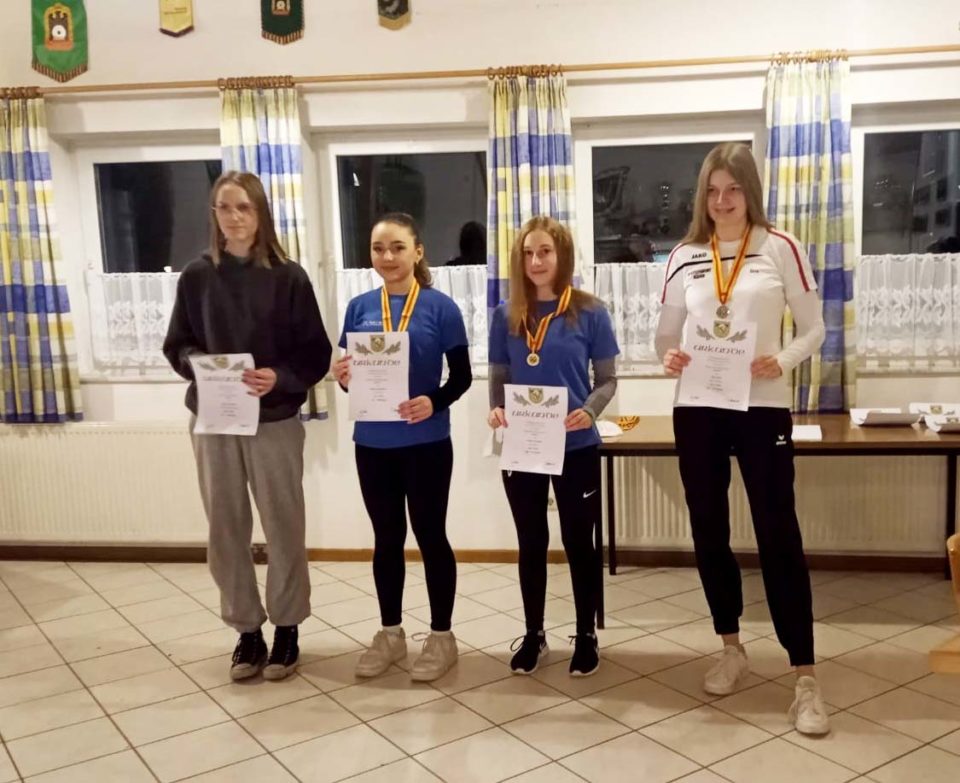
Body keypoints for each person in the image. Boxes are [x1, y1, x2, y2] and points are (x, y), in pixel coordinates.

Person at [655, 142, 829, 735]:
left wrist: (782, 360)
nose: (722, 201)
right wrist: (669, 356)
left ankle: (805, 677)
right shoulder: (684, 256)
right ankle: (730, 646)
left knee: (779, 533)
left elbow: (815, 329)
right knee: (709, 530)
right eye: (712, 190)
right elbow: (665, 338)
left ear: (749, 191)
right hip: (698, 407)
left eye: (732, 189)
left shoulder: (780, 247)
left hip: (762, 408)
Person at [163, 171, 332, 682]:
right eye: (224, 207)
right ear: (213, 214)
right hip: (215, 420)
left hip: (273, 418)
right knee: (225, 527)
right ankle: (247, 630)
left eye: (244, 207)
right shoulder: (196, 276)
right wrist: (201, 365)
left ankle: (287, 627)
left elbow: (315, 354)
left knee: (283, 524)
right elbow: (177, 345)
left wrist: (278, 377)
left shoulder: (289, 277)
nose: (234, 217)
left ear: (260, 214)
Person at [332, 212, 472, 682]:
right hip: (373, 444)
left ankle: (442, 637)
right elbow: (354, 380)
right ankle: (391, 634)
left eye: (397, 247)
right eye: (378, 248)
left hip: (426, 443)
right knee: (386, 539)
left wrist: (433, 401)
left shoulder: (440, 308)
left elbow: (462, 377)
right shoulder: (358, 307)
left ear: (417, 252)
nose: (387, 257)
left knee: (431, 536)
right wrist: (344, 377)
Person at [487, 215, 619, 677]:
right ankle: (534, 634)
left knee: (579, 542)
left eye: (545, 251)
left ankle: (586, 635)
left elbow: (607, 379)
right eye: (528, 253)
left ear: (561, 255)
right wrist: (495, 409)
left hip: (575, 444)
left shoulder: (591, 311)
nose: (536, 261)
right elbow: (500, 375)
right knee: (531, 541)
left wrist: (591, 410)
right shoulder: (506, 313)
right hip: (523, 445)